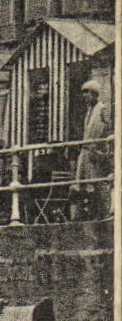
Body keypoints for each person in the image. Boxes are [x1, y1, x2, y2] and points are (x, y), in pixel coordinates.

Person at [74, 77, 113, 221]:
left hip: (95, 152)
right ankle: (85, 214)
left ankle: (101, 214)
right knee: (83, 182)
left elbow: (103, 130)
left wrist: (98, 149)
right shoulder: (89, 110)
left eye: (87, 93)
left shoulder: (101, 109)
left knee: (96, 183)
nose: (85, 96)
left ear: (94, 94)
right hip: (86, 151)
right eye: (84, 93)